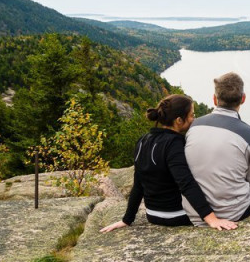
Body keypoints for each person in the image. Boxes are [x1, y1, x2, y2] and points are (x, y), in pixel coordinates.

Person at [100, 94, 238, 233]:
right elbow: (186, 182)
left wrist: (127, 219)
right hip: (177, 215)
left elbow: (139, 183)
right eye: (191, 115)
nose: (194, 119)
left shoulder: (143, 141)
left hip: (153, 215)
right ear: (179, 120)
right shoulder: (174, 143)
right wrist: (211, 219)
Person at [183, 72, 250, 225]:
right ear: (243, 98)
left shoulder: (194, 126)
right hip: (232, 211)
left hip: (195, 210)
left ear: (215, 99)